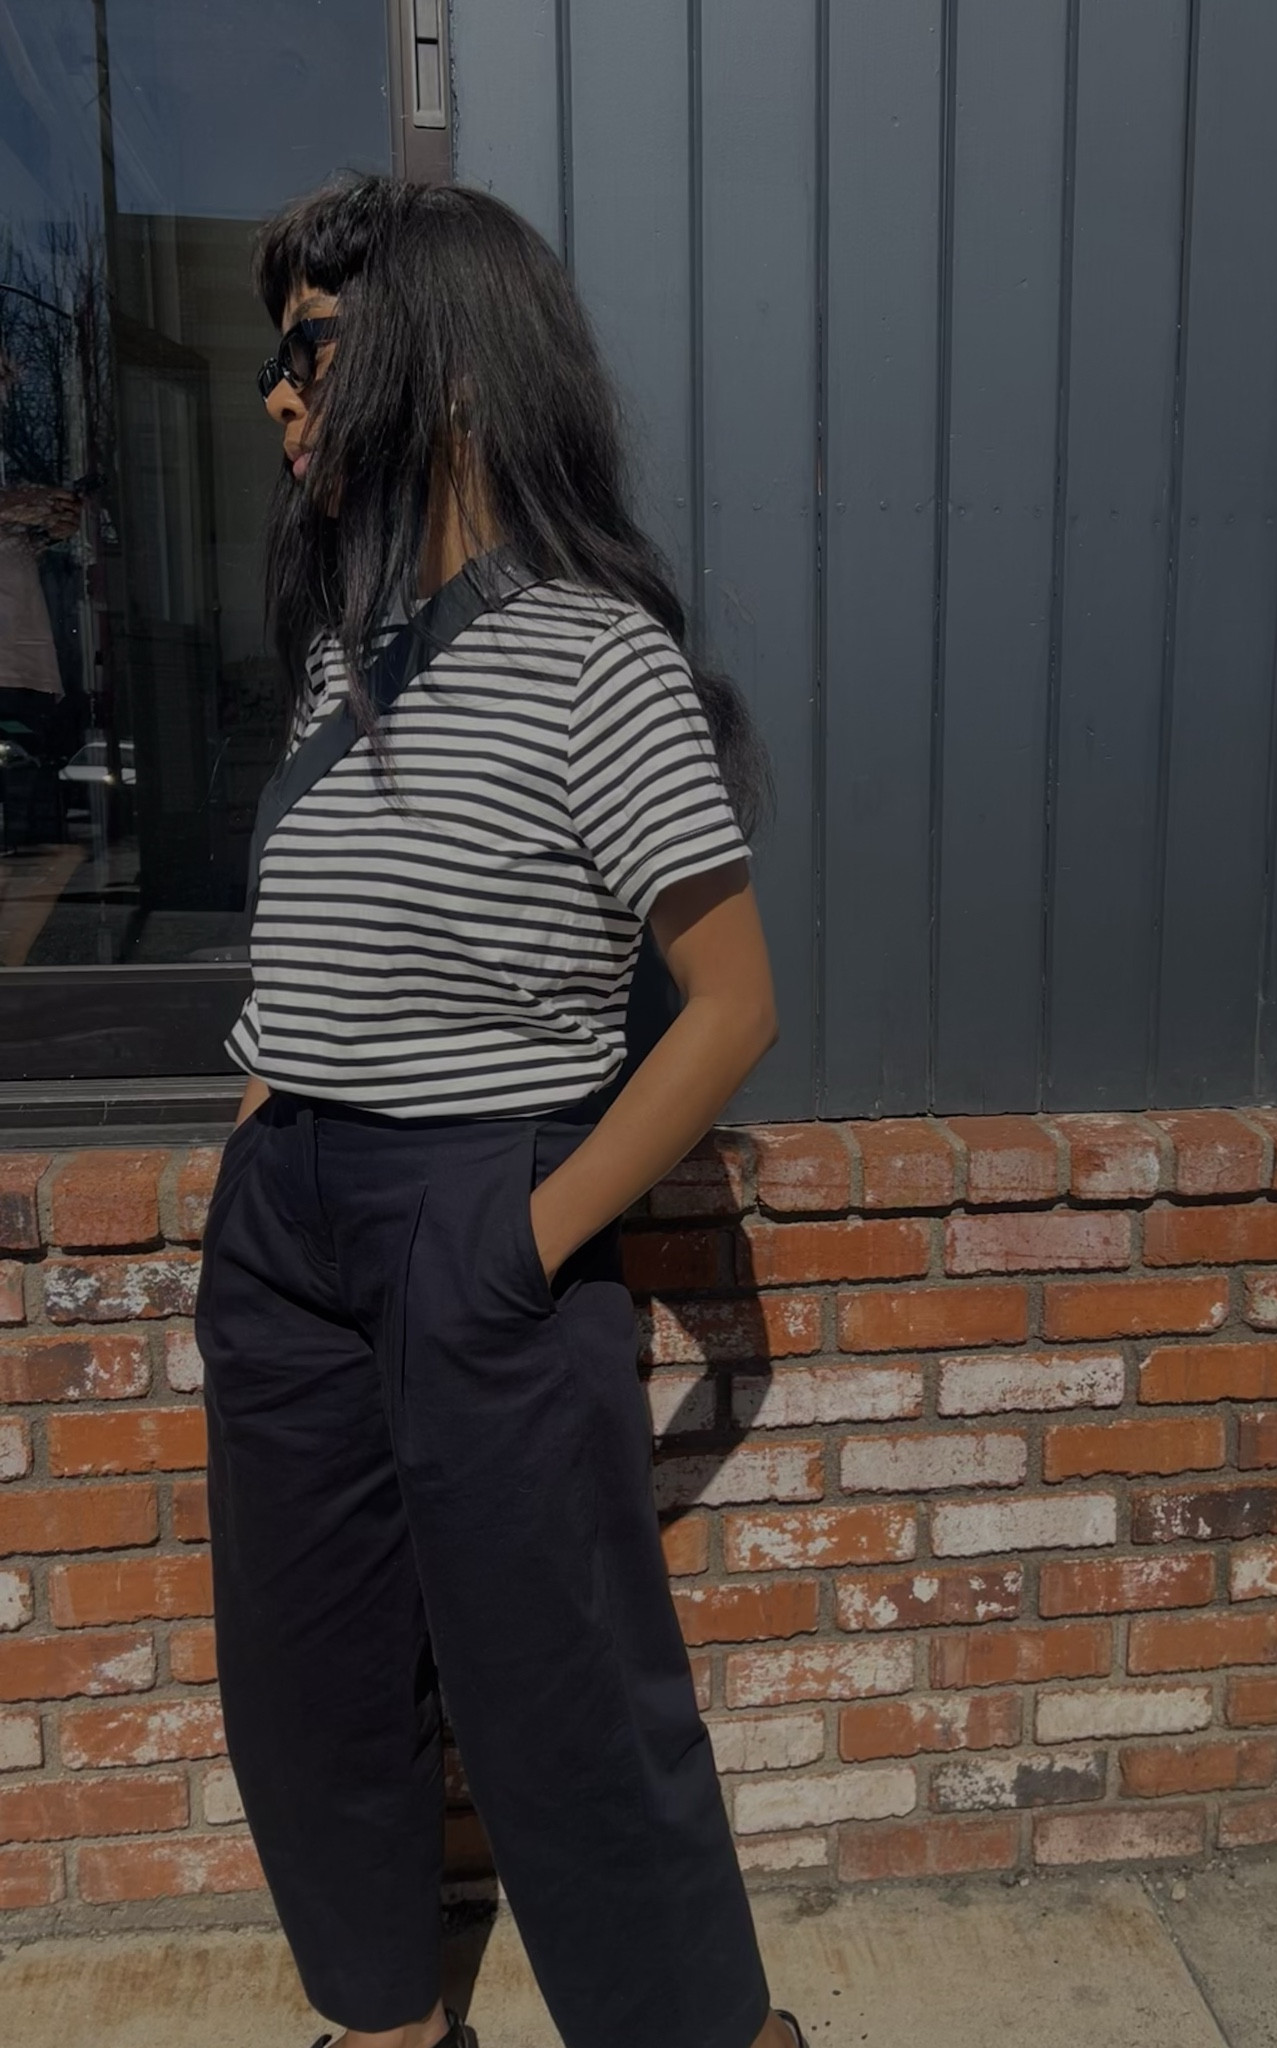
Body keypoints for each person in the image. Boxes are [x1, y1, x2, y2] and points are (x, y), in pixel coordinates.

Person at [194, 173, 808, 2048]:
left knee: (567, 1698)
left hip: (481, 1212)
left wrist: (524, 1238)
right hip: (289, 1232)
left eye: (311, 352)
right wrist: (259, 1134)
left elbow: (731, 1008)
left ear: (443, 362)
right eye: (277, 359)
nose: (280, 395)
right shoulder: (343, 658)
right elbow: (319, 952)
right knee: (305, 1677)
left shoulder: (594, 658)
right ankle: (387, 2028)